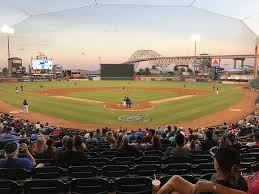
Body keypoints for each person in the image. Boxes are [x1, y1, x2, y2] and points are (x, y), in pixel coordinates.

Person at [158, 145, 247, 194]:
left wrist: (212, 187)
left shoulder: (211, 189)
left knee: (175, 181)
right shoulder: (240, 181)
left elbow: (176, 181)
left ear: (218, 166)